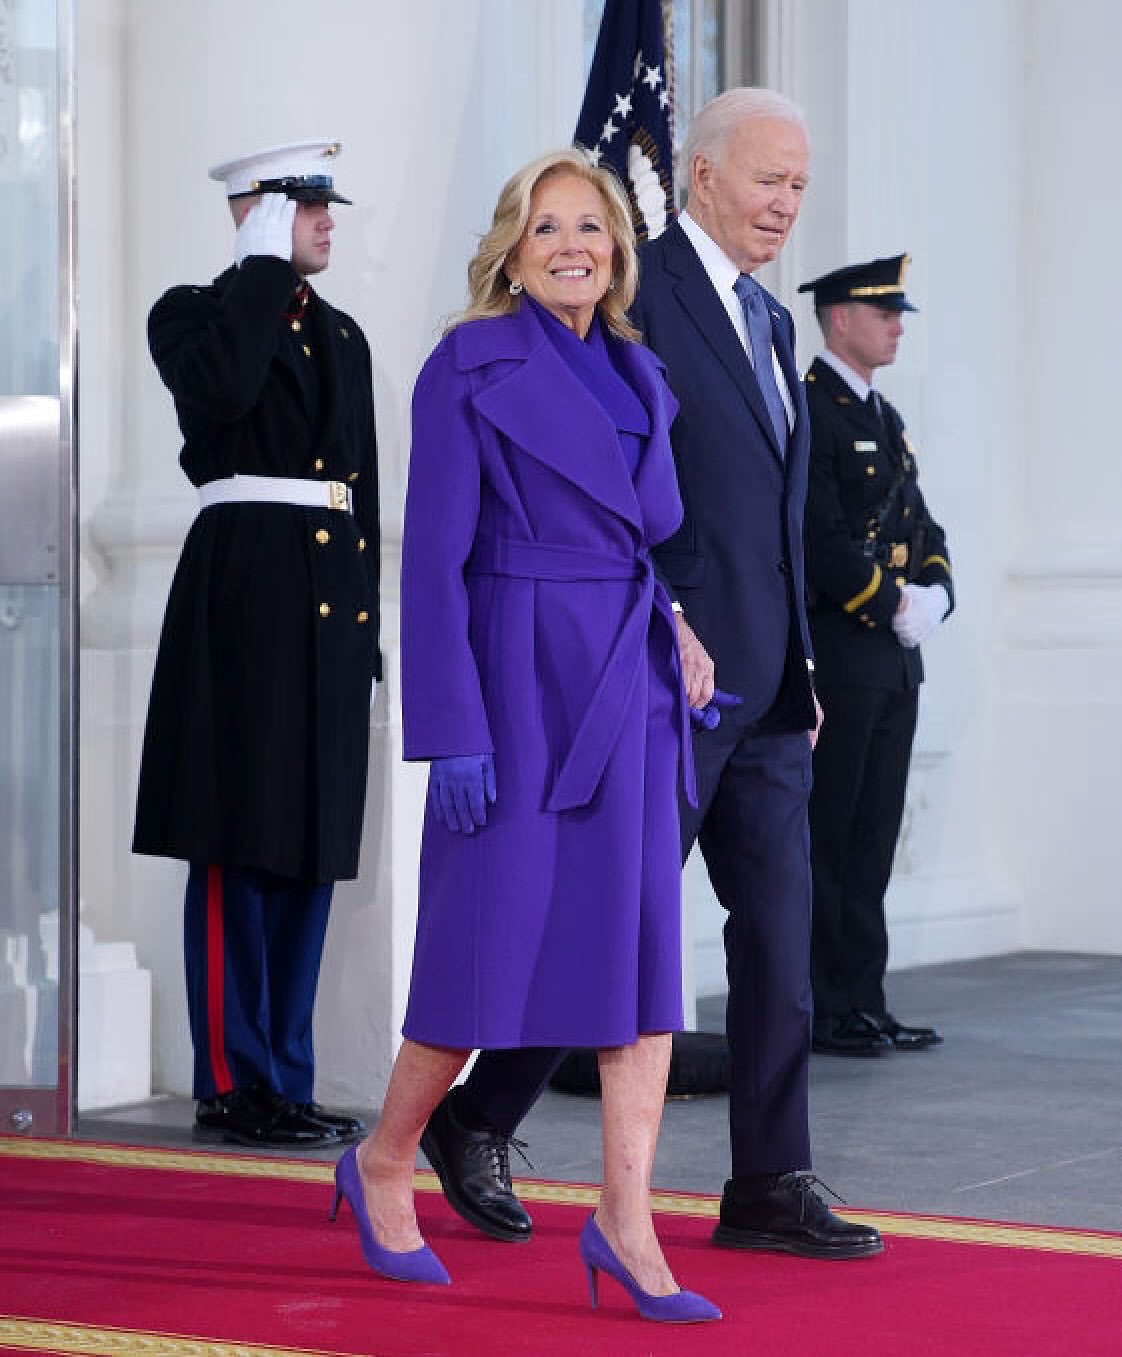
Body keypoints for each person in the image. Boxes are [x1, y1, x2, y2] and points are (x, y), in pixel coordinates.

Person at [419, 88, 884, 1263]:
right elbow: (611, 504)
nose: (786, 204)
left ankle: (770, 1180)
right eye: (769, 179)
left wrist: (803, 666)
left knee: (780, 937)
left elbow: (772, 523)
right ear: (703, 176)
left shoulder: (771, 321)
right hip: (645, 677)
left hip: (765, 686)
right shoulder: (635, 295)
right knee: (599, 925)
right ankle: (476, 1115)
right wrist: (664, 629)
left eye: (800, 186)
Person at [329, 147, 720, 1323]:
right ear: (511, 251)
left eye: (590, 227)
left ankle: (626, 1220)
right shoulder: (467, 364)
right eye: (547, 228)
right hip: (515, 690)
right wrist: (452, 729)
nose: (571, 247)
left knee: (640, 963)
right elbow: (433, 563)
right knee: (481, 955)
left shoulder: (642, 370)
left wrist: (678, 629)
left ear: (618, 250)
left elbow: (636, 541)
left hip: (627, 687)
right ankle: (387, 1156)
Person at [132, 140, 381, 1148]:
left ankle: (287, 1073)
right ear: (255, 212)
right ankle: (232, 1081)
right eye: (303, 205)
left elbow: (360, 491)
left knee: (309, 849)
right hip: (244, 598)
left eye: (326, 205)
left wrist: (367, 632)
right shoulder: (193, 313)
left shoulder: (344, 335)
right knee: (240, 843)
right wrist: (262, 271)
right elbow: (228, 386)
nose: (326, 220)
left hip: (325, 609)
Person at [798, 254, 953, 1056]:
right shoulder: (811, 409)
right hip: (843, 652)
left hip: (893, 662)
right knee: (830, 832)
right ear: (839, 319)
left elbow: (923, 527)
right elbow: (819, 537)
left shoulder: (884, 417)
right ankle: (825, 1006)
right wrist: (890, 601)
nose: (896, 327)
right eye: (883, 313)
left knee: (874, 837)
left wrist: (936, 594)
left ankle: (865, 997)